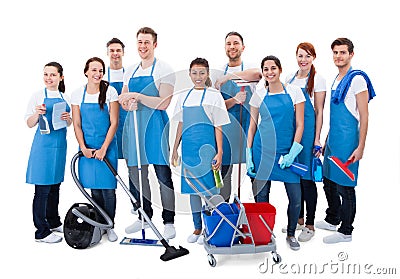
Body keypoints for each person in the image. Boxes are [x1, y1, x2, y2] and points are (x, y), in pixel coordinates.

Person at [315, 38, 376, 244]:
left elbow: (365, 116)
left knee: (345, 186)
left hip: (349, 142)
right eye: (335, 52)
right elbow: (334, 115)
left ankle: (346, 231)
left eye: (342, 52)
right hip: (334, 140)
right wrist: (326, 140)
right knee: (329, 181)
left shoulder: (357, 80)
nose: (338, 56)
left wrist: (361, 146)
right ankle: (332, 218)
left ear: (351, 54)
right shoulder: (336, 79)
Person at [118, 27, 176, 240]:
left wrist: (138, 97)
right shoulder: (130, 70)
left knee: (162, 175)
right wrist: (128, 104)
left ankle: (168, 220)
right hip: (135, 128)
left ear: (155, 44)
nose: (143, 46)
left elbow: (164, 102)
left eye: (147, 42)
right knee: (136, 175)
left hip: (156, 128)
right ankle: (144, 216)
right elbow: (123, 99)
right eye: (140, 42)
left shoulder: (164, 68)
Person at [246, 55, 305, 251]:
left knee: (296, 198)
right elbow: (252, 126)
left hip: (287, 151)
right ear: (262, 73)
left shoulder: (295, 92)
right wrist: (248, 153)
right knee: (261, 198)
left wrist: (293, 152)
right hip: (263, 151)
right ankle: (264, 234)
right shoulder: (259, 94)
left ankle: (290, 233)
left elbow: (300, 125)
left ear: (280, 69)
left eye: (273, 68)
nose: (270, 72)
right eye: (266, 69)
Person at [171, 58, 230, 243]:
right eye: (195, 73)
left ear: (207, 74)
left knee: (210, 191)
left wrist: (219, 152)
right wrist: (174, 149)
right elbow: (181, 124)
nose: (198, 77)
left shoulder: (214, 96)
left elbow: (218, 126)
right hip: (188, 151)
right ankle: (197, 228)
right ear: (189, 74)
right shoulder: (183, 96)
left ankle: (213, 228)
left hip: (207, 151)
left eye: (202, 73)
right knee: (192, 190)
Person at [71, 57, 119, 242]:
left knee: (108, 189)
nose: (98, 74)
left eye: (100, 70)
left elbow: (114, 122)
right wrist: (83, 147)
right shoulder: (77, 94)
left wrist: (104, 148)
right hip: (87, 149)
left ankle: (110, 225)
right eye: (94, 70)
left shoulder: (110, 91)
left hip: (106, 146)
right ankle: (99, 225)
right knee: (94, 190)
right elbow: (77, 124)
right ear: (86, 72)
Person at [283, 42, 326, 242]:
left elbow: (319, 111)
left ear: (313, 58)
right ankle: (297, 219)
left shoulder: (318, 79)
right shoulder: (289, 79)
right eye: (300, 56)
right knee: (295, 177)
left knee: (307, 179)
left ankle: (310, 224)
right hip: (293, 132)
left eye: (307, 56)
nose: (303, 60)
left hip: (308, 134)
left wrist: (317, 138)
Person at [25, 62, 72, 243]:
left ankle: (53, 221)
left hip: (59, 146)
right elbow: (29, 123)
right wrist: (37, 114)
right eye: (46, 74)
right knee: (42, 189)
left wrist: (68, 119)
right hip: (43, 148)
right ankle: (41, 231)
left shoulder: (65, 97)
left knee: (55, 186)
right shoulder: (37, 96)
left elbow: (68, 124)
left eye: (52, 75)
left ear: (61, 77)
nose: (48, 78)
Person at [212, 31, 260, 202]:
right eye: (229, 44)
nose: (232, 47)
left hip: (248, 128)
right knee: (224, 174)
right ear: (225, 47)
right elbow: (215, 108)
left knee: (255, 171)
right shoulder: (216, 74)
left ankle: (257, 212)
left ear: (243, 47)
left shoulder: (250, 68)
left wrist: (228, 77)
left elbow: (257, 74)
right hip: (225, 132)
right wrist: (233, 100)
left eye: (235, 43)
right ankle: (225, 216)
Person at [106, 37, 127, 160]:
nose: (115, 53)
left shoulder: (129, 74)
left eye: (118, 50)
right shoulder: (101, 76)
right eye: (112, 50)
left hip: (127, 124)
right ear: (107, 53)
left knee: (132, 162)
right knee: (109, 160)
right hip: (108, 125)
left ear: (123, 53)